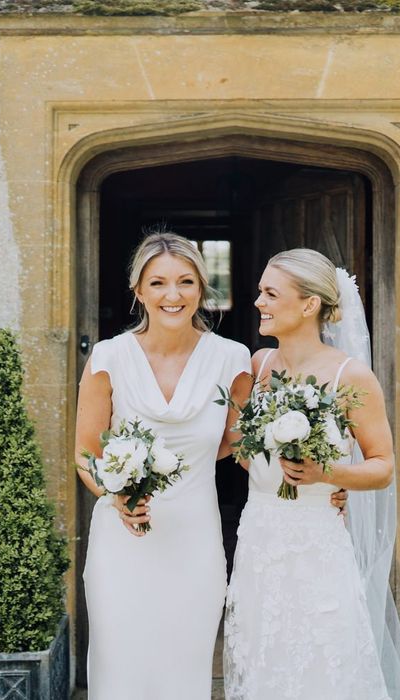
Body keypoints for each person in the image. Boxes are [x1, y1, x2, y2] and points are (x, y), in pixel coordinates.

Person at [222, 248, 400, 700]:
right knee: (262, 655)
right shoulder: (259, 365)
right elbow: (243, 448)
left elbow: (383, 467)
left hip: (316, 544)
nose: (258, 302)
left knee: (320, 662)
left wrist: (326, 475)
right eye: (259, 292)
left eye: (271, 293)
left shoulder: (350, 376)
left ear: (309, 304)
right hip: (259, 537)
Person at [75, 232, 253, 700]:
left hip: (195, 539)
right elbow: (87, 453)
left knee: (183, 668)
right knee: (120, 667)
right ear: (138, 291)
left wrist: (326, 484)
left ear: (201, 288)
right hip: (122, 540)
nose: (172, 296)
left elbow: (236, 442)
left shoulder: (233, 359)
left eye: (186, 282)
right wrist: (118, 496)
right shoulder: (110, 357)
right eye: (158, 283)